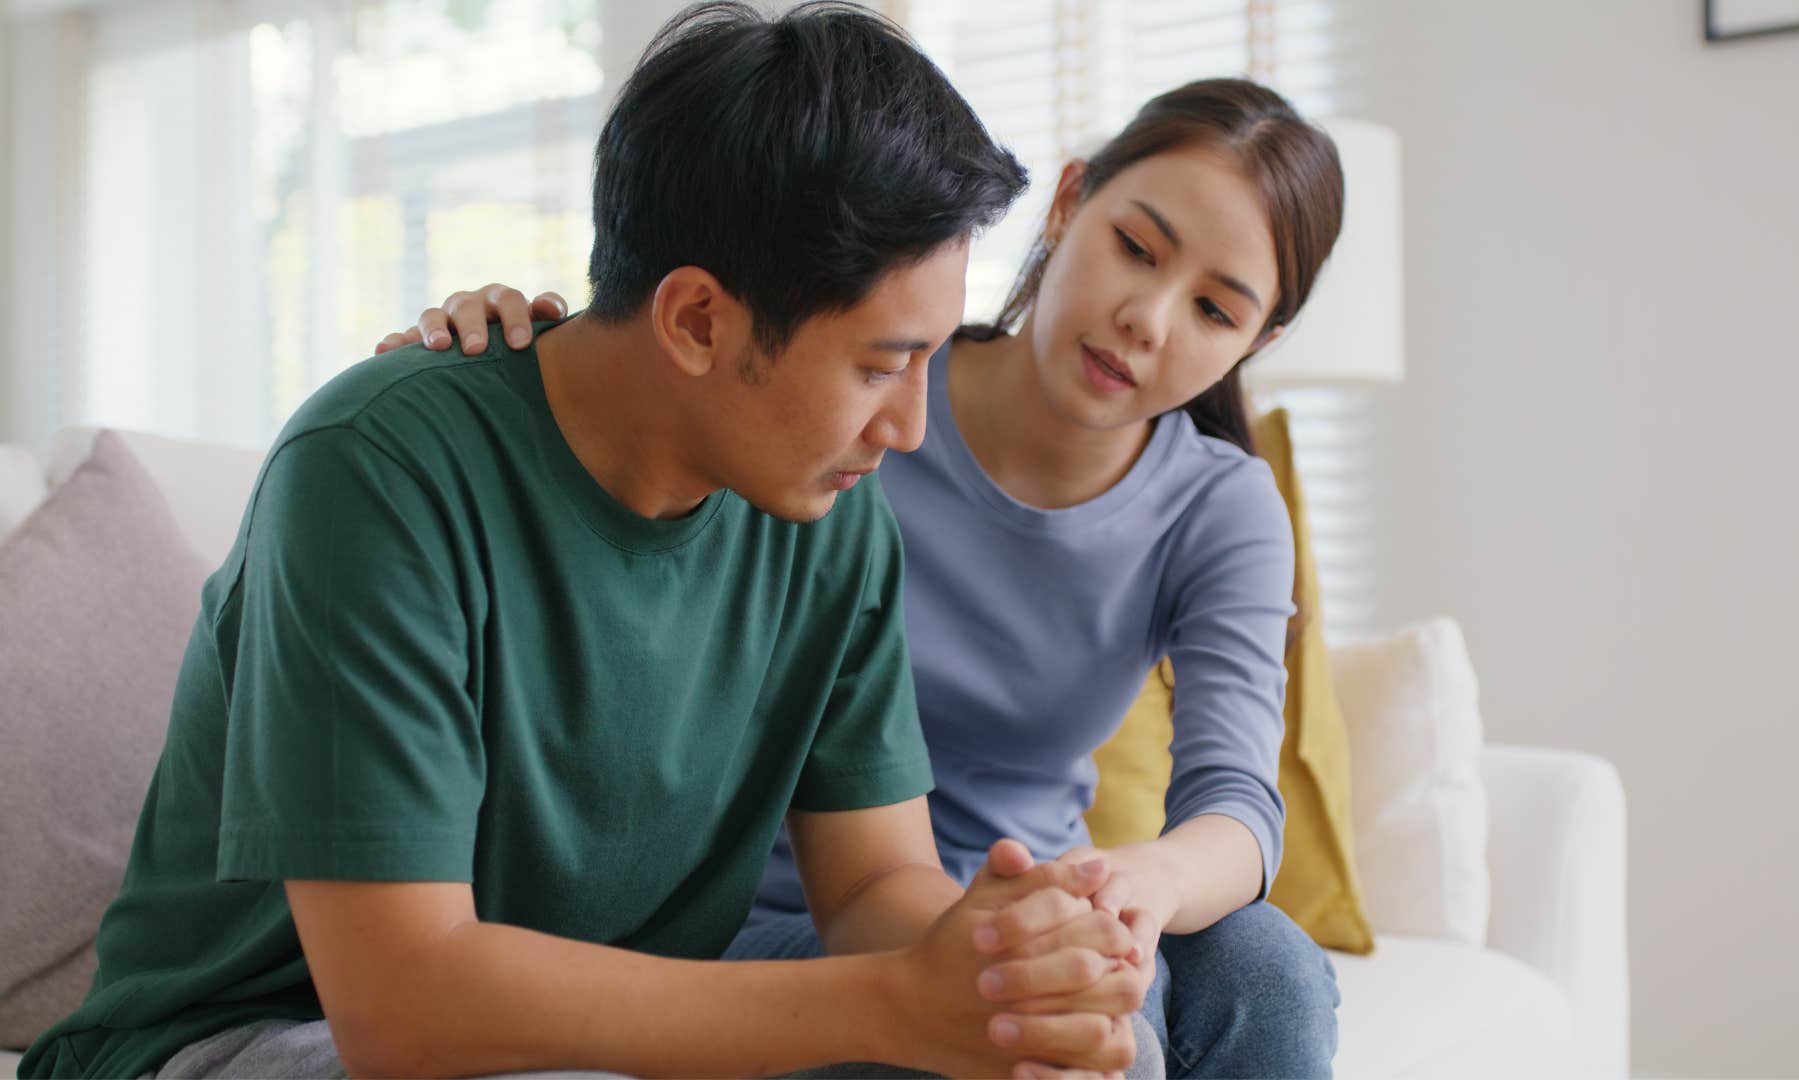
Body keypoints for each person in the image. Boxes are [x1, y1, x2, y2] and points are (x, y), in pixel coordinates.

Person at [19, 4, 1157, 1078]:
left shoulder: (831, 513)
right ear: (699, 320)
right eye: (877, 365)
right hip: (245, 1038)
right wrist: (892, 1007)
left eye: (924, 360)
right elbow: (399, 1003)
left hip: (598, 1036)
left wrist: (994, 969)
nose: (910, 426)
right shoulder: (374, 470)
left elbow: (871, 888)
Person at [395, 75, 1349, 1079]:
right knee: (1097, 1028)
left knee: (1266, 965)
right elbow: (661, 369)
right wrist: (511, 341)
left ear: (1260, 342)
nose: (1146, 319)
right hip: (781, 921)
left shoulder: (1219, 506)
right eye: (1135, 248)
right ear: (1068, 204)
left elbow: (1237, 806)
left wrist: (1129, 888)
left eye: (1213, 308)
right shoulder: (844, 393)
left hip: (1025, 897)